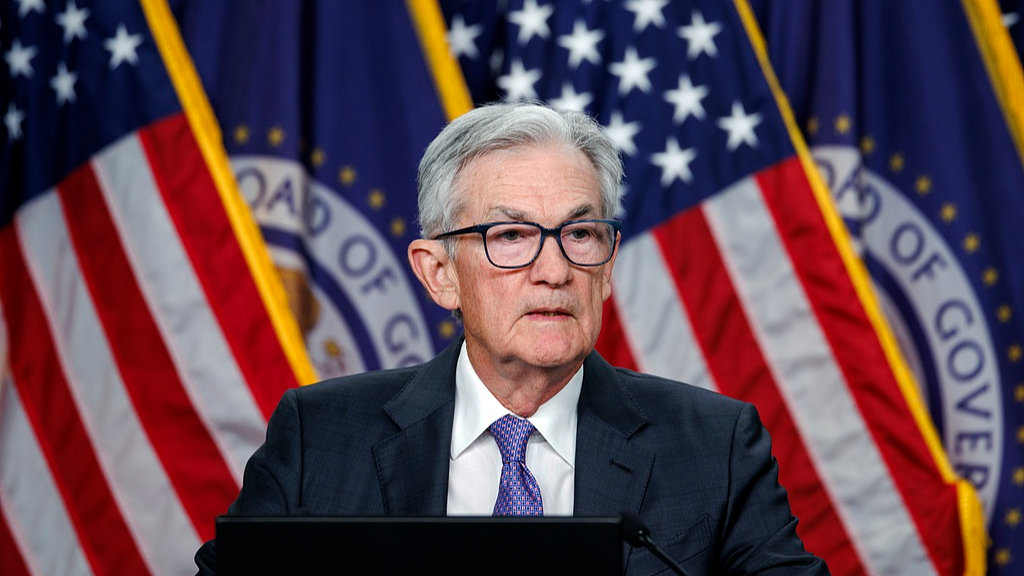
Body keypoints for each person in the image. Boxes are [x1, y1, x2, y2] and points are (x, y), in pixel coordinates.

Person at [195, 101, 829, 575]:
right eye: (510, 237)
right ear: (439, 274)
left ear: (606, 269)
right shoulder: (321, 438)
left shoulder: (713, 446)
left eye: (580, 235)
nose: (554, 270)